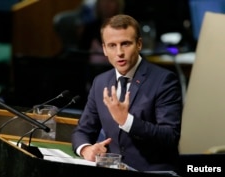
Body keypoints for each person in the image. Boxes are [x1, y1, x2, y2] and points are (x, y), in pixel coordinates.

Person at [71, 14, 183, 172]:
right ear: (104, 49)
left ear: (139, 44)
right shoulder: (100, 82)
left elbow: (169, 136)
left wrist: (127, 121)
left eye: (125, 44)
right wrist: (86, 149)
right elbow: (83, 131)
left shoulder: (164, 80)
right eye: (112, 45)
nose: (119, 52)